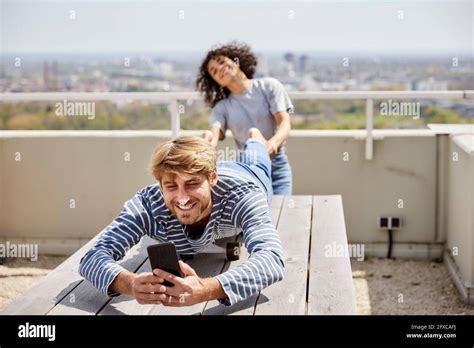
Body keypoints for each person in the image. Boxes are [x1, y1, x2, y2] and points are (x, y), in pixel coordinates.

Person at [79, 129, 284, 307]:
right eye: (170, 186)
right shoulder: (146, 205)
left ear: (212, 178)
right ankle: (205, 144)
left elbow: (271, 258)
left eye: (192, 184)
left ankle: (254, 138)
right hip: (208, 176)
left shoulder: (244, 196)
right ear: (160, 185)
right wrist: (130, 283)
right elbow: (92, 257)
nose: (182, 198)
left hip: (249, 173)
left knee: (258, 158)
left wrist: (206, 288)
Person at [196, 41, 293, 195]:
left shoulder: (269, 86)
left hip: (277, 166)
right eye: (214, 71)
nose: (220, 68)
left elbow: (284, 123)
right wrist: (207, 140)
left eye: (222, 62)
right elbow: (215, 133)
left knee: (282, 213)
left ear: (235, 60)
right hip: (249, 169)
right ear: (215, 81)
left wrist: (273, 144)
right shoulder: (222, 107)